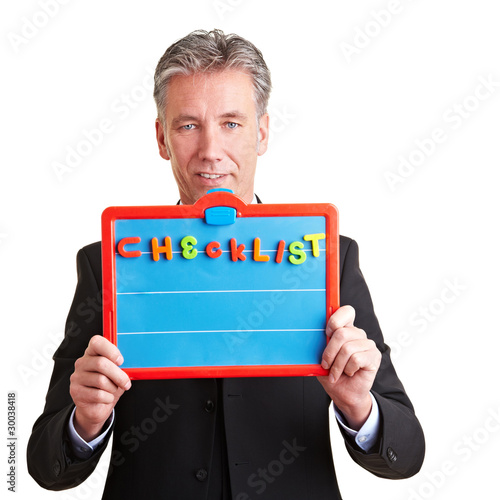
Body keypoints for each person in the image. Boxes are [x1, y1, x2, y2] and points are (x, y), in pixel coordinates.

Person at [27, 29, 425, 499]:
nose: (211, 150)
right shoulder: (108, 263)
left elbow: (407, 455)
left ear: (262, 132)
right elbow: (45, 467)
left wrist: (361, 408)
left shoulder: (327, 259)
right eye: (188, 125)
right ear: (162, 138)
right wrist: (85, 422)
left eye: (232, 123)